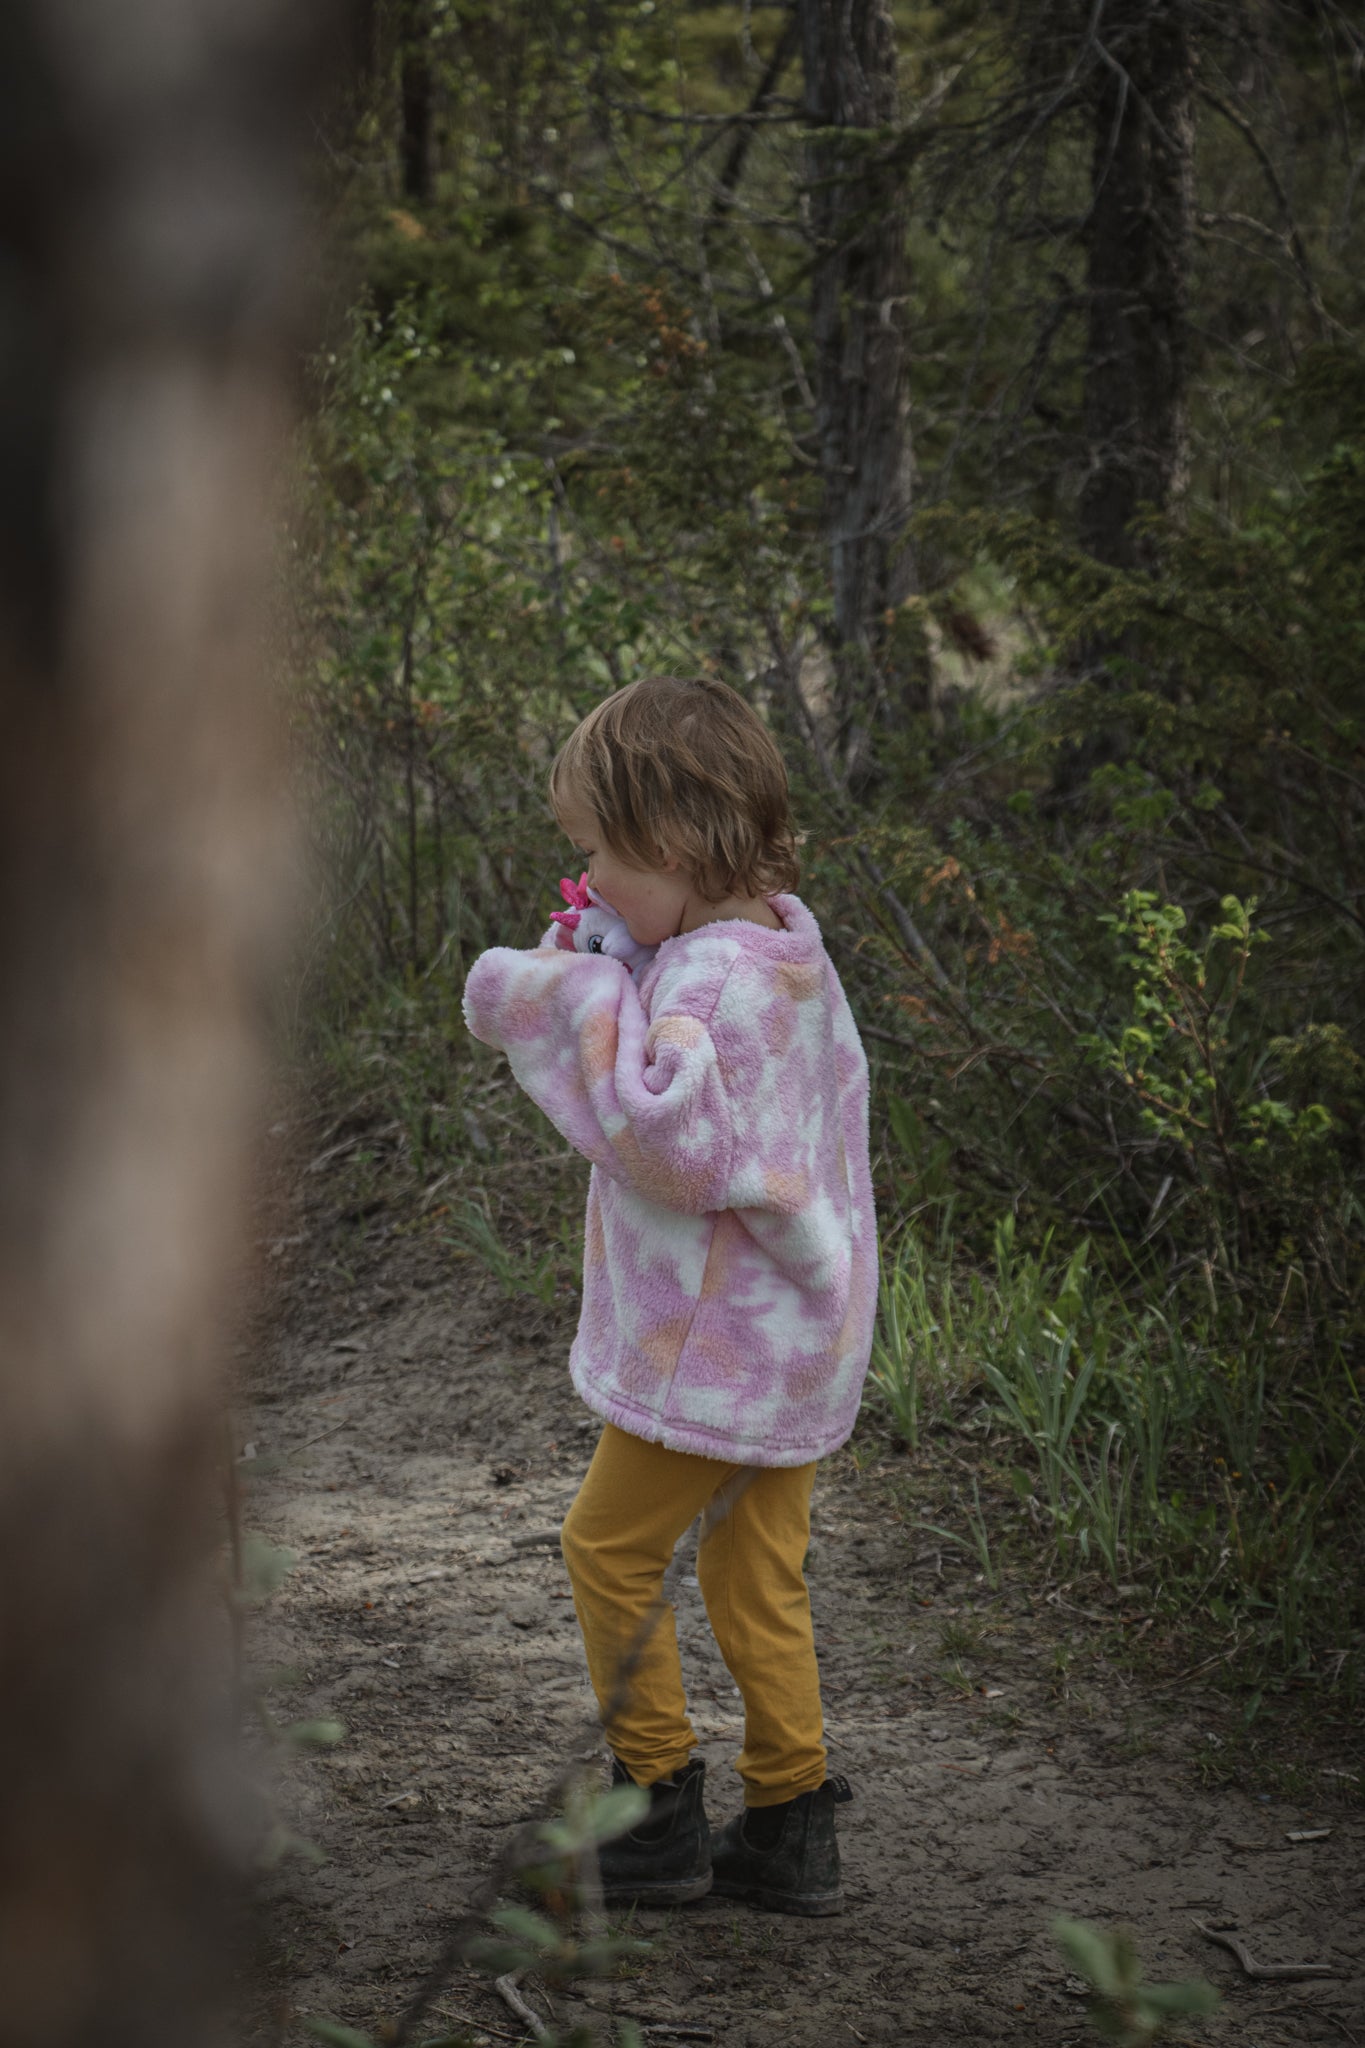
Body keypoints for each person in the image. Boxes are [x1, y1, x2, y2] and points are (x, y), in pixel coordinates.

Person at [462, 674, 876, 1916]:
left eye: (595, 855)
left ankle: (651, 1811)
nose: (582, 885)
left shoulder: (708, 989)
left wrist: (566, 989)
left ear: (677, 842)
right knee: (758, 1571)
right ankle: (792, 1821)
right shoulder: (785, 949)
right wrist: (627, 949)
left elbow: (667, 1135)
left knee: (607, 1546)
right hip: (803, 1325)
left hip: (715, 1346)